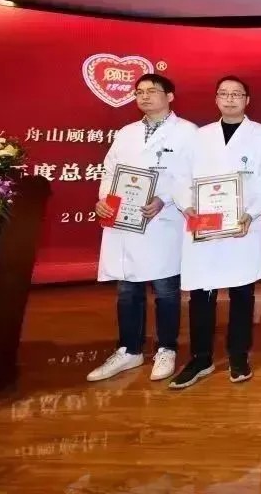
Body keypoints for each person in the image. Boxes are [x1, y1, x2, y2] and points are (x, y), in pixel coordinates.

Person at [169, 75, 261, 389]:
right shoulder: (198, 136)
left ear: (247, 100)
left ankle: (238, 355)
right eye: (224, 94)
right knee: (201, 293)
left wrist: (251, 212)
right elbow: (179, 176)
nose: (230, 99)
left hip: (242, 224)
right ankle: (201, 357)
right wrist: (188, 205)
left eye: (237, 94)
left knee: (242, 292)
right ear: (216, 99)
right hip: (204, 226)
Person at [87, 74, 197, 383]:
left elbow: (191, 176)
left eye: (152, 91)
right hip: (124, 220)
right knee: (127, 288)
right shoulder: (127, 133)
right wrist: (104, 200)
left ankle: (166, 348)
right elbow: (110, 170)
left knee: (165, 289)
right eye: (139, 92)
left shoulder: (188, 133)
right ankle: (129, 350)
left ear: (170, 96)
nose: (144, 96)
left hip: (163, 222)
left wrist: (164, 199)